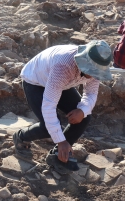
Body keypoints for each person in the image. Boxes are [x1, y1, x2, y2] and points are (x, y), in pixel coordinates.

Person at [12, 40, 113, 171]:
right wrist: (61, 141)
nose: (94, 76)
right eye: (92, 71)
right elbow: (49, 106)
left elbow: (91, 93)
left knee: (84, 117)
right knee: (48, 127)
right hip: (36, 81)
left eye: (97, 72)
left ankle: (57, 156)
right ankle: (21, 136)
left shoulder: (96, 68)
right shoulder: (64, 66)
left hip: (62, 83)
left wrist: (82, 111)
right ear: (85, 62)